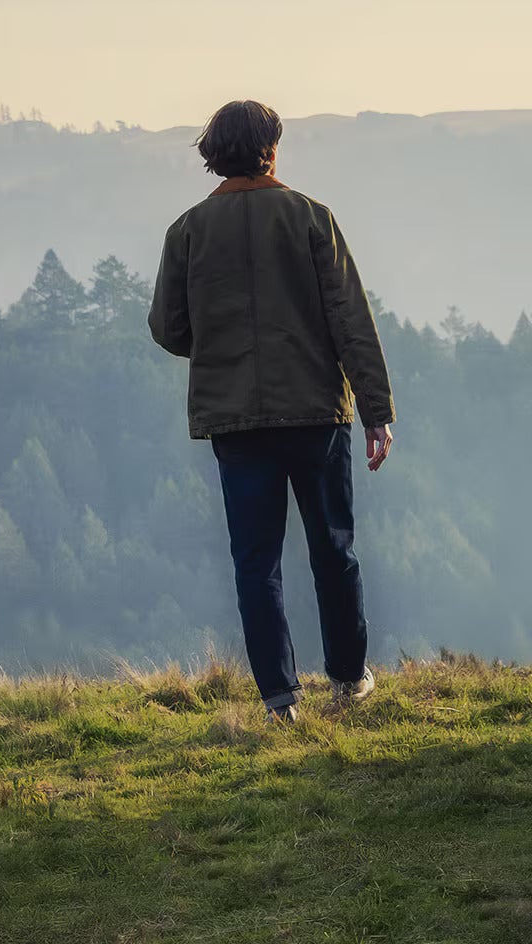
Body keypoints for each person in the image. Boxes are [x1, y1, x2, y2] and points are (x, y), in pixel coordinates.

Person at [149, 100, 395, 723]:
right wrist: (376, 410)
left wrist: (217, 344)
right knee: (332, 548)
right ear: (272, 148)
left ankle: (279, 699)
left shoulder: (187, 231)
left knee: (255, 562)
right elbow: (352, 323)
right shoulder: (312, 218)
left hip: (235, 420)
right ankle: (347, 678)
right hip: (317, 413)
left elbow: (168, 328)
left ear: (212, 154)